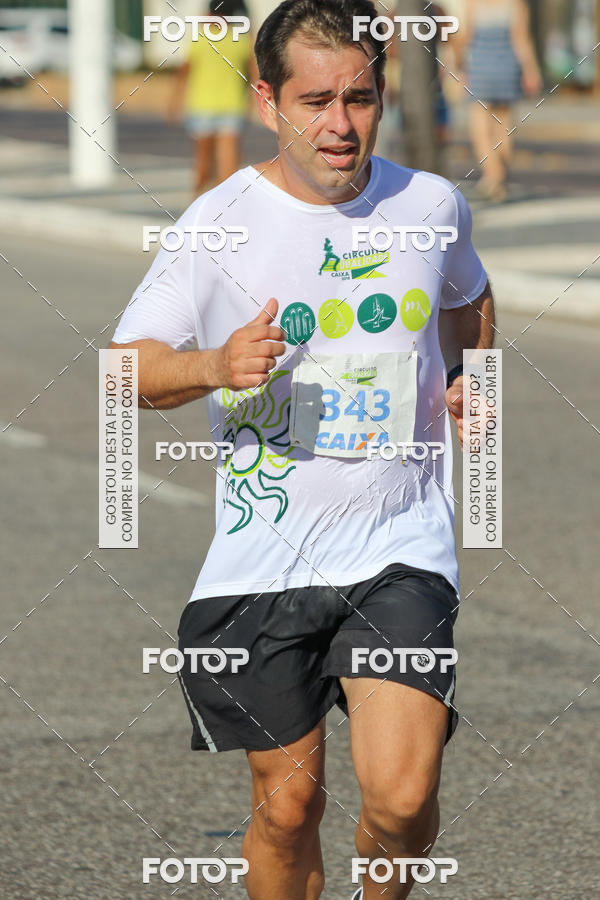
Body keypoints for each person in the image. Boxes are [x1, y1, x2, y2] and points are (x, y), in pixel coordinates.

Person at [111, 1, 495, 897]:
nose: (340, 125)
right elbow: (124, 371)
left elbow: (469, 301)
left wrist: (467, 376)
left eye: (358, 99)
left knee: (403, 800)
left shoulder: (430, 205)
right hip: (264, 556)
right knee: (288, 809)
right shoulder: (218, 223)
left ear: (382, 94)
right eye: (315, 101)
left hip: (399, 548)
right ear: (267, 100)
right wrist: (215, 364)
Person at [455, 0, 542, 202]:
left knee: (480, 129)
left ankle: (493, 175)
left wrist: (459, 65)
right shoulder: (516, 4)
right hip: (507, 68)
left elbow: (465, 37)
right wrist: (531, 70)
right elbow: (521, 40)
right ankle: (498, 177)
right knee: (504, 125)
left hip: (480, 69)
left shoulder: (473, 3)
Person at [168, 0, 255, 194]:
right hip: (232, 107)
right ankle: (227, 207)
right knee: (228, 169)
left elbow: (184, 72)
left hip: (202, 108)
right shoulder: (240, 39)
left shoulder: (199, 37)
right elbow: (252, 73)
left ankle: (198, 203)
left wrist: (174, 102)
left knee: (203, 166)